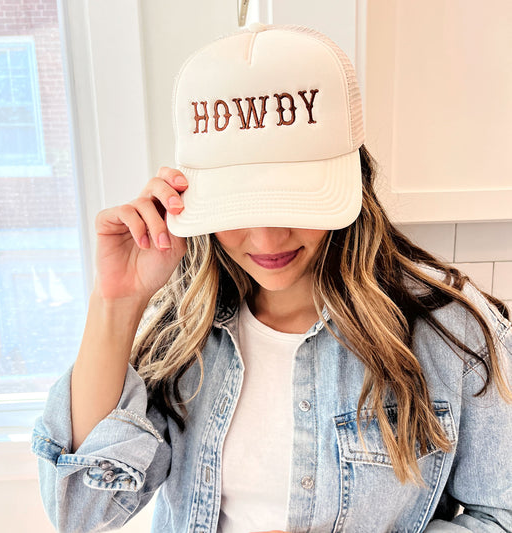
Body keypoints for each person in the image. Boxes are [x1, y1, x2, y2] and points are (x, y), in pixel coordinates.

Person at [32, 24, 512, 533]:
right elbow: (80, 511)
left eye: (295, 200)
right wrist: (117, 303)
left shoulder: (451, 333)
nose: (266, 239)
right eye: (237, 207)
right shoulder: (181, 337)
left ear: (355, 182)